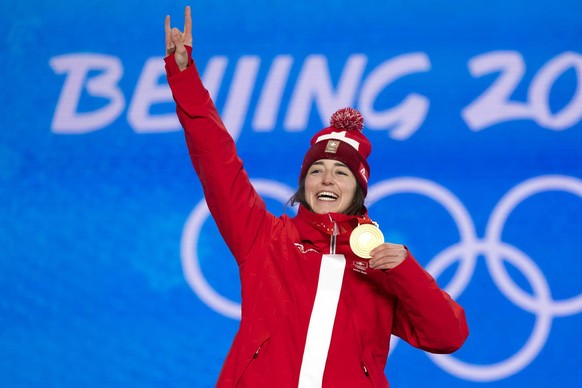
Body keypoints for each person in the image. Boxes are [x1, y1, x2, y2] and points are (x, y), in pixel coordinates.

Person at [164, 6, 468, 387]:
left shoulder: (381, 266)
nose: (327, 179)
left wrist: (405, 271)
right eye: (316, 171)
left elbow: (448, 335)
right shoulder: (265, 238)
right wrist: (184, 78)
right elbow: (218, 162)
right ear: (304, 184)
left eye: (341, 173)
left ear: (358, 189)